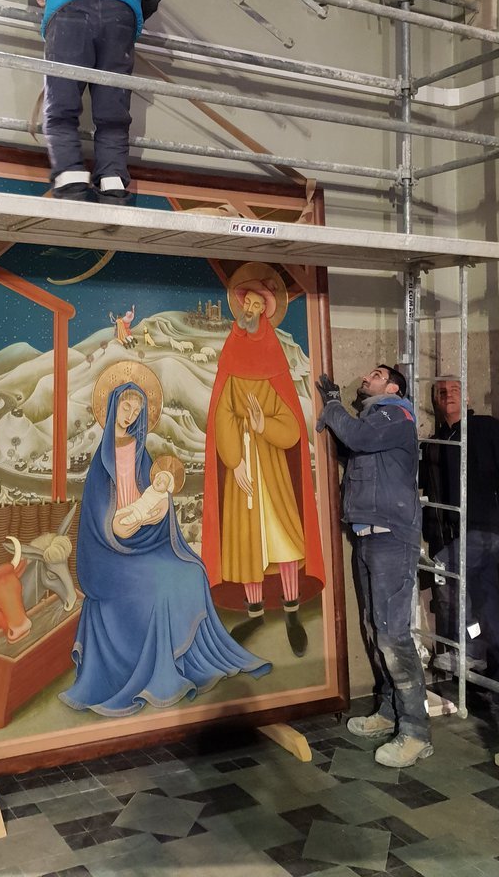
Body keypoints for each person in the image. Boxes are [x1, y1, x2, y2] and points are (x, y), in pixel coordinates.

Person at [60, 380, 270, 715]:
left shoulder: (141, 452)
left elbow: (158, 493)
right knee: (160, 586)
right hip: (111, 554)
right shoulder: (101, 462)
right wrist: (119, 525)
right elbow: (97, 520)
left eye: (136, 411)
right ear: (113, 406)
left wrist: (159, 511)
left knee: (191, 571)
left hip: (144, 542)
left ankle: (183, 660)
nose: (130, 416)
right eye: (126, 407)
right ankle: (158, 669)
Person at [7, 0, 166, 205]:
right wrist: (129, 18)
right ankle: (113, 180)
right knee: (113, 111)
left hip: (71, 7)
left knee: (62, 101)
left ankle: (70, 177)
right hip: (121, 16)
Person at [202, 273, 324, 658]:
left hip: (271, 464)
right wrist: (234, 462)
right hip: (240, 464)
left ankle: (291, 613)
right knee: (246, 541)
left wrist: (262, 425)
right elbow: (222, 413)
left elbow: (291, 426)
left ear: (266, 314)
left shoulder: (274, 362)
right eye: (247, 304)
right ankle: (254, 614)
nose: (250, 311)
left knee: (282, 536)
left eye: (257, 306)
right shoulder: (230, 357)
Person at [316, 364, 430, 769]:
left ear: (393, 387)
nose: (367, 377)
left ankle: (416, 732)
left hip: (391, 538)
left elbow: (358, 437)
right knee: (374, 628)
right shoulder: (374, 419)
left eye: (377, 374)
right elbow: (354, 443)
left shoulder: (395, 415)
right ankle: (388, 711)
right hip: (368, 535)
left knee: (393, 636)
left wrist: (332, 405)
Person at [421, 376, 499, 689]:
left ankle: (471, 650)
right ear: (435, 401)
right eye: (442, 392)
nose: (448, 395)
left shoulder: (488, 428)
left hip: (489, 528)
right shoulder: (436, 443)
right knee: (486, 601)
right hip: (457, 534)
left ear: (467, 397)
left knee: (444, 568)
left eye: (455, 390)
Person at [116, 461, 176, 530]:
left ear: (167, 488)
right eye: (158, 478)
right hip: (137, 505)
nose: (159, 481)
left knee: (132, 518)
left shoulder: (164, 496)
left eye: (164, 482)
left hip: (145, 512)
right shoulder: (150, 487)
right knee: (124, 511)